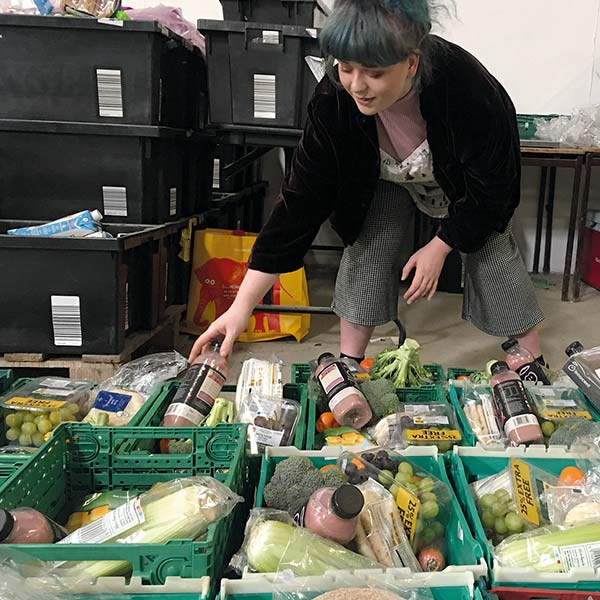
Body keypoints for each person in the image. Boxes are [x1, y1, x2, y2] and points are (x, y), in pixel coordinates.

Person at [190, 0, 545, 366]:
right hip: (384, 179)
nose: (357, 86)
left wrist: (441, 245)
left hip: (462, 181)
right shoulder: (333, 100)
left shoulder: (467, 89)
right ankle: (347, 365)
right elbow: (300, 205)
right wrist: (241, 307)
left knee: (491, 248)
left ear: (411, 62)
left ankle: (531, 359)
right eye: (346, 68)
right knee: (368, 243)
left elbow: (494, 191)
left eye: (374, 73)